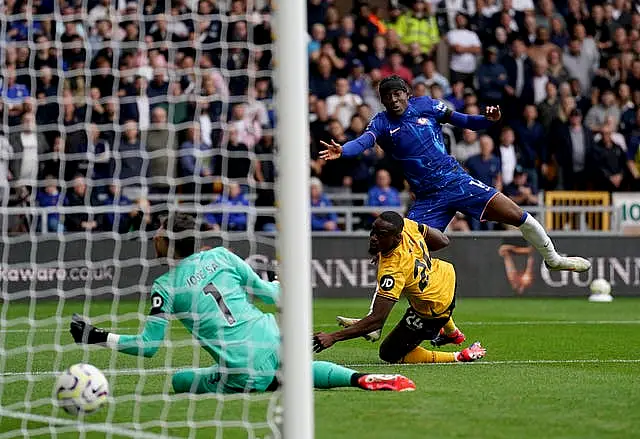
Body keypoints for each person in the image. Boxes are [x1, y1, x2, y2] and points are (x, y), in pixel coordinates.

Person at [70, 213, 415, 393]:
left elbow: (148, 347)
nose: (155, 236)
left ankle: (271, 380)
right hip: (275, 339)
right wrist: (281, 281)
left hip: (240, 368)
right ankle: (357, 378)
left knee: (180, 381)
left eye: (159, 232)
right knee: (289, 369)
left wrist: (97, 336)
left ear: (167, 243)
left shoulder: (165, 286)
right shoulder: (222, 255)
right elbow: (273, 296)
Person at [319, 75, 590, 273]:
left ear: (407, 93)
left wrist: (488, 120)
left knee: (520, 216)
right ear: (382, 100)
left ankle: (553, 259)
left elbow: (467, 121)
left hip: (457, 181)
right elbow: (364, 141)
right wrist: (343, 149)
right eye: (387, 96)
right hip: (427, 197)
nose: (393, 99)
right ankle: (375, 319)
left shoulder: (427, 106)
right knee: (397, 250)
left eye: (397, 94)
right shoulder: (380, 122)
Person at [314, 211, 486, 365]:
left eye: (381, 235)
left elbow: (376, 320)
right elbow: (443, 240)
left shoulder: (393, 271)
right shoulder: (407, 225)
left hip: (434, 308)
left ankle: (461, 356)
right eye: (373, 230)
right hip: (446, 274)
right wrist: (414, 248)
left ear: (396, 238)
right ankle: (453, 334)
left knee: (389, 353)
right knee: (419, 295)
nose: (373, 237)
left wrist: (333, 337)